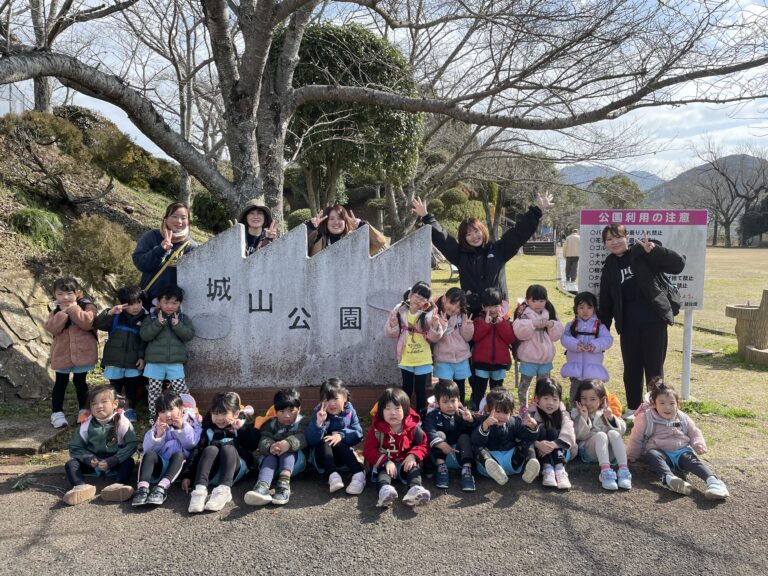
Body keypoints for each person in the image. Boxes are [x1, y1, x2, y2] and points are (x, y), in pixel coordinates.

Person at [411, 193, 553, 315]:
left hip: (497, 310)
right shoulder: (460, 255)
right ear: (463, 238)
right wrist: (426, 217)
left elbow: (518, 233)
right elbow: (444, 239)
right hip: (472, 311)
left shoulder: (498, 250)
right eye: (468, 234)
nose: (474, 236)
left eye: (476, 231)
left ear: (482, 230)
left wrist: (537, 211)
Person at [598, 226, 686, 419]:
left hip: (653, 321)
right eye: (609, 239)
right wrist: (600, 331)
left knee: (654, 367)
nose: (614, 242)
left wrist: (654, 250)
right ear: (605, 244)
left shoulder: (642, 251)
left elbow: (678, 265)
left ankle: (655, 407)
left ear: (626, 238)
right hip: (628, 325)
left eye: (618, 237)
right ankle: (634, 407)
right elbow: (605, 302)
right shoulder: (609, 266)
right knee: (631, 367)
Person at [627, 377, 729, 500]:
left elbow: (694, 432)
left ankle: (714, 482)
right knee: (652, 454)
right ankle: (670, 479)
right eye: (662, 403)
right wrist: (632, 455)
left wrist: (698, 444)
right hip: (661, 452)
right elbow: (636, 437)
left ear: (677, 404)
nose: (667, 407)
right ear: (654, 404)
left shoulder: (682, 417)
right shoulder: (645, 418)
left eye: (671, 403)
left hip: (681, 452)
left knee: (693, 461)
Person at [183, 392, 260, 513]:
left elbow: (253, 445)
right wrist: (187, 475)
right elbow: (197, 451)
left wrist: (241, 429)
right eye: (215, 413)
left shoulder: (238, 428)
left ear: (235, 414)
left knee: (228, 448)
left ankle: (224, 491)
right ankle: (199, 491)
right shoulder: (209, 431)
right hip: (211, 475)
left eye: (224, 413)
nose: (219, 418)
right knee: (210, 449)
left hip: (233, 471)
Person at [62, 384, 137, 506]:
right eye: (94, 403)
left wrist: (114, 460)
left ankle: (118, 486)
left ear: (115, 404)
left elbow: (131, 445)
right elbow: (75, 446)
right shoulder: (86, 424)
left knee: (129, 462)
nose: (99, 406)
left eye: (104, 402)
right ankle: (80, 487)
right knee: (71, 464)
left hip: (115, 461)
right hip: (93, 461)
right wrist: (88, 458)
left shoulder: (123, 423)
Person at [363, 387, 431, 508]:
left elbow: (423, 445)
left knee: (414, 469)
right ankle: (385, 492)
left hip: (406, 462)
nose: (392, 412)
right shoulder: (377, 429)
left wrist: (412, 455)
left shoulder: (413, 427)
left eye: (397, 408)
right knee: (383, 473)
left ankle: (415, 490)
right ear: (381, 411)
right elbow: (369, 450)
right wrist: (385, 461)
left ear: (405, 410)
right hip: (386, 463)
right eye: (387, 408)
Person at [44, 277, 98, 429]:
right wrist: (62, 314)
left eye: (69, 293)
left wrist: (73, 309)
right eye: (60, 294)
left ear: (78, 293)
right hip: (62, 353)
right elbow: (51, 328)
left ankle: (84, 411)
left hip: (83, 353)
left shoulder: (88, 306)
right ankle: (57, 413)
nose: (65, 298)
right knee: (60, 383)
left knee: (80, 383)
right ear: (54, 295)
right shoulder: (55, 310)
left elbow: (87, 323)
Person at [132, 391, 202, 507]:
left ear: (181, 409)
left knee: (178, 454)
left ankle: (161, 489)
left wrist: (182, 427)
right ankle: (142, 488)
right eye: (163, 411)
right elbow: (148, 449)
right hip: (162, 465)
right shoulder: (158, 425)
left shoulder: (192, 422)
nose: (168, 414)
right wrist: (158, 435)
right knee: (148, 454)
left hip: (179, 468)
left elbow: (192, 444)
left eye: (171, 409)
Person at [384, 281, 444, 414]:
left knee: (420, 389)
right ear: (410, 295)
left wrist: (435, 325)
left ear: (426, 301)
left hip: (422, 357)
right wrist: (393, 323)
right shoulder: (400, 311)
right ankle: (405, 414)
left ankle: (421, 415)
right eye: (417, 295)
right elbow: (391, 333)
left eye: (423, 298)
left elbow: (435, 337)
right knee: (406, 388)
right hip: (406, 356)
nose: (419, 300)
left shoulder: (429, 315)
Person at [139, 285, 195, 424]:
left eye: (174, 303)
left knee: (181, 389)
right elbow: (144, 335)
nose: (170, 306)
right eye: (166, 302)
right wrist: (158, 324)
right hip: (154, 363)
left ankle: (187, 412)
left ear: (180, 303)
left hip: (175, 363)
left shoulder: (183, 318)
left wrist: (177, 325)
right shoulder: (151, 318)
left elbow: (189, 335)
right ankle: (155, 415)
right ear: (159, 302)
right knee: (154, 391)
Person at [94, 285, 148, 422]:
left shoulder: (146, 318)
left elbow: (144, 341)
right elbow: (99, 324)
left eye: (139, 302)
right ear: (123, 304)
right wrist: (110, 312)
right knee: (114, 387)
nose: (136, 307)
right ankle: (114, 410)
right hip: (114, 360)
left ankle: (130, 409)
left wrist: (142, 357)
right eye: (130, 304)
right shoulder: (116, 316)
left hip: (133, 360)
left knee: (131, 387)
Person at [245, 389, 308, 506]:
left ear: (299, 409)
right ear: (275, 410)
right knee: (270, 455)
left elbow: (303, 437)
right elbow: (264, 439)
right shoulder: (270, 423)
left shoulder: (302, 422)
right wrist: (270, 447)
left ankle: (284, 485)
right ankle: (262, 486)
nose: (287, 415)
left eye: (291, 410)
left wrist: (288, 443)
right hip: (273, 462)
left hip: (294, 463)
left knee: (287, 451)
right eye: (281, 411)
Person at [304, 378, 366, 496]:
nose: (332, 403)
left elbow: (358, 434)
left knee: (338, 440)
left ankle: (358, 474)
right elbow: (311, 440)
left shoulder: (350, 412)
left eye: (335, 399)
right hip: (323, 457)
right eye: (327, 399)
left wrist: (341, 435)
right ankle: (333, 476)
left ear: (345, 398)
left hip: (343, 455)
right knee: (325, 440)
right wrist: (319, 423)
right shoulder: (319, 412)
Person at [512, 284, 564, 415]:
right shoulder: (524, 314)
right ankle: (523, 407)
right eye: (534, 300)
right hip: (529, 358)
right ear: (528, 300)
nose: (538, 304)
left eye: (541, 300)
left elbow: (556, 335)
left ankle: (540, 407)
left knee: (544, 386)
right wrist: (532, 324)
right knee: (524, 385)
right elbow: (519, 332)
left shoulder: (549, 313)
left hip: (545, 359)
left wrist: (551, 325)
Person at [471, 387, 540, 486]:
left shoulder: (514, 422)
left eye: (505, 412)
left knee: (528, 442)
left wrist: (533, 427)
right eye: (497, 412)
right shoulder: (482, 421)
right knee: (477, 447)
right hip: (489, 462)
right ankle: (496, 471)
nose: (501, 416)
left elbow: (529, 437)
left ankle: (530, 464)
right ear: (488, 410)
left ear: (511, 412)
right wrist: (485, 426)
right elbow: (475, 440)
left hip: (512, 461)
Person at [132, 201, 197, 306]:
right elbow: (141, 264)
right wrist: (161, 250)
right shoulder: (151, 236)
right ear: (165, 218)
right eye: (174, 216)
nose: (179, 221)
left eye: (184, 218)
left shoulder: (191, 246)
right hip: (147, 301)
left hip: (172, 306)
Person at [571, 380, 631, 491]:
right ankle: (605, 472)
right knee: (601, 435)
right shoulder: (576, 413)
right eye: (584, 399)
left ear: (602, 399)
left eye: (592, 399)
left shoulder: (606, 412)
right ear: (579, 399)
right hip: (590, 452)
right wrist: (583, 417)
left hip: (610, 454)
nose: (588, 403)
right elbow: (579, 436)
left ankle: (624, 470)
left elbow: (622, 430)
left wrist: (611, 418)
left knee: (613, 433)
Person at [422, 380, 477, 491]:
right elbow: (429, 430)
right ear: (437, 402)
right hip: (440, 453)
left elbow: (473, 429)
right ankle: (441, 468)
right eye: (445, 402)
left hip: (458, 453)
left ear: (459, 400)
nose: (450, 405)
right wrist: (441, 444)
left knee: (465, 436)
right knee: (439, 434)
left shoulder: (462, 414)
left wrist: (470, 420)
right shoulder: (433, 415)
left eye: (453, 401)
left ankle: (467, 470)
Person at [559, 291, 613, 406]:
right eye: (581, 307)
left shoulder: (599, 326)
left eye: (589, 307)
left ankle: (596, 416)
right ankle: (574, 415)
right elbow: (564, 339)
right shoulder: (571, 325)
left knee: (593, 397)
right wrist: (575, 345)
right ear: (575, 308)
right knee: (575, 396)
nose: (585, 311)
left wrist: (595, 345)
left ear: (594, 308)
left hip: (593, 372)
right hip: (575, 370)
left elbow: (608, 340)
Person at [471, 287, 516, 410]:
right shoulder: (478, 320)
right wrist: (486, 324)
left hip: (500, 362)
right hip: (481, 362)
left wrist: (501, 323)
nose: (492, 309)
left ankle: (496, 408)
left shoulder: (505, 320)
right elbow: (475, 337)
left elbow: (510, 338)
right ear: (483, 306)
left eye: (496, 305)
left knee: (497, 388)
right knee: (479, 387)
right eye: (488, 306)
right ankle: (476, 408)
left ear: (500, 305)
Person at [528, 378, 575, 490]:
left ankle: (560, 469)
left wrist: (553, 444)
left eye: (555, 399)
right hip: (539, 451)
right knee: (542, 430)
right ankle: (547, 469)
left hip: (561, 451)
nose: (550, 403)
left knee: (553, 430)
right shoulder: (530, 414)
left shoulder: (563, 413)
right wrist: (538, 445)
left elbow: (569, 431)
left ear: (560, 400)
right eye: (546, 398)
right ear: (537, 398)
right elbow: (522, 434)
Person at [432, 288, 474, 403]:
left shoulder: (462, 315)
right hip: (443, 358)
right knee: (445, 387)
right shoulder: (435, 313)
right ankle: (443, 409)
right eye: (452, 303)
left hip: (461, 357)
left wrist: (468, 326)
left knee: (460, 386)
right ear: (445, 299)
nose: (454, 309)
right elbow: (433, 338)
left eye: (458, 306)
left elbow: (467, 338)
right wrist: (442, 325)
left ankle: (459, 409)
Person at [305, 204, 387, 257]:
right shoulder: (318, 238)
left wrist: (364, 226)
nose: (336, 222)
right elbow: (298, 251)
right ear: (326, 222)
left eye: (340, 218)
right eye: (331, 219)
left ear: (345, 221)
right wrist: (309, 227)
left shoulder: (355, 239)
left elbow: (379, 243)